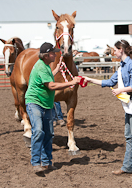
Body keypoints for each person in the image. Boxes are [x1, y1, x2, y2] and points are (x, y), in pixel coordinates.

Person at [83, 39, 132, 175]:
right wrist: (89, 80)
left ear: (121, 50)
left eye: (115, 50)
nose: (113, 52)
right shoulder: (122, 66)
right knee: (129, 136)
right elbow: (109, 82)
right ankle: (127, 167)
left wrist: (120, 89)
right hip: (130, 103)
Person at [25, 42, 81, 173]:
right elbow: (51, 86)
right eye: (53, 53)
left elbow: (49, 74)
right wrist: (71, 82)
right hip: (35, 103)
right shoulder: (40, 67)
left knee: (49, 133)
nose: (56, 54)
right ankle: (35, 162)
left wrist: (57, 69)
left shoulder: (45, 66)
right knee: (38, 131)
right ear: (46, 56)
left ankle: (47, 162)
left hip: (46, 104)